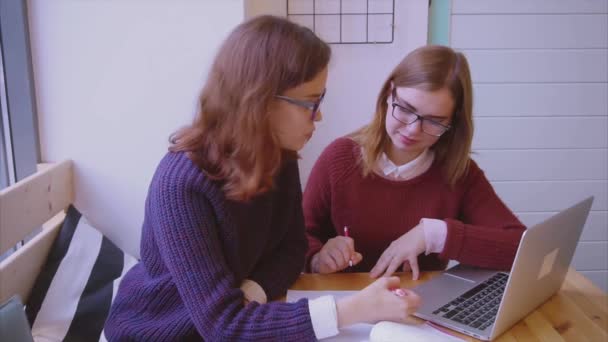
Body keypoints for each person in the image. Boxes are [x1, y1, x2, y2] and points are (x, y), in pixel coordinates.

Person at [104, 15, 420, 341]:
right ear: (260, 101)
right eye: (311, 103)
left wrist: (249, 293)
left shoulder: (276, 157)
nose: (320, 115)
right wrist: (352, 310)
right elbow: (224, 327)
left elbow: (293, 250)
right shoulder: (181, 184)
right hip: (156, 333)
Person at [303, 45, 526, 280]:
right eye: (406, 109)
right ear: (389, 94)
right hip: (349, 303)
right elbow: (295, 238)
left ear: (453, 122)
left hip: (417, 306)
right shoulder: (339, 157)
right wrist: (318, 258)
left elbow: (520, 247)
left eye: (434, 121)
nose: (412, 129)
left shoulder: (459, 173)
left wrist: (434, 235)